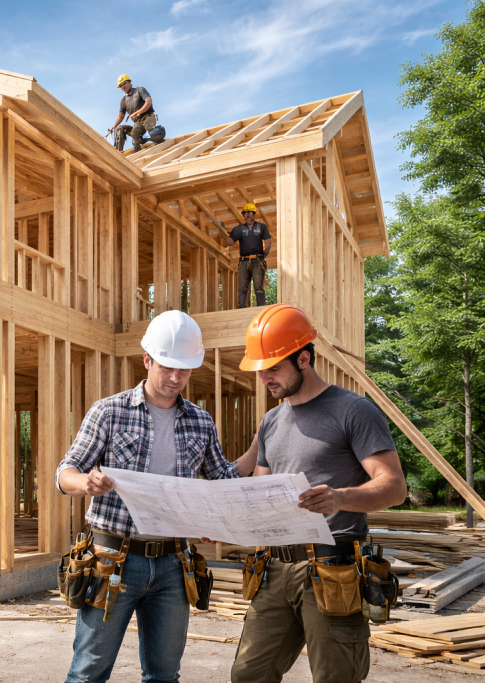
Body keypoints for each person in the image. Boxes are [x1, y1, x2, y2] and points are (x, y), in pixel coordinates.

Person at [57, 310, 254, 683]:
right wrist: (86, 483)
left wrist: (260, 444)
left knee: (165, 674)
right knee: (89, 672)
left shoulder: (200, 420)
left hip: (172, 565)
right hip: (113, 560)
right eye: (167, 368)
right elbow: (64, 472)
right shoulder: (110, 412)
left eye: (185, 370)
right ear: (147, 360)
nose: (176, 378)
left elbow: (221, 479)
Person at [230, 304, 407, 683]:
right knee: (248, 675)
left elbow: (394, 486)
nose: (264, 379)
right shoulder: (271, 421)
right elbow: (260, 494)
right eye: (261, 370)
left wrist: (341, 498)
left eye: (273, 368)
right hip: (274, 568)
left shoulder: (354, 411)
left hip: (333, 569)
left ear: (304, 359)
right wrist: (228, 523)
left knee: (335, 677)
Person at [225, 203, 271, 308]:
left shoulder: (261, 227)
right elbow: (230, 242)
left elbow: (268, 242)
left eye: (248, 212)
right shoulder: (239, 228)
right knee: (242, 287)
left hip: (257, 260)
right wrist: (227, 235)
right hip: (243, 261)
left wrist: (263, 257)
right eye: (244, 213)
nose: (246, 215)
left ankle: (261, 308)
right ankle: (242, 308)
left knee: (258, 287)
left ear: (253, 213)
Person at [111, 75, 158, 153]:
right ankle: (118, 154)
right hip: (138, 124)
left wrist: (137, 113)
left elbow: (148, 102)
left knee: (153, 133)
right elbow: (121, 116)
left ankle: (157, 135)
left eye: (124, 83)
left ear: (130, 82)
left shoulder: (140, 90)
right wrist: (113, 127)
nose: (123, 87)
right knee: (122, 130)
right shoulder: (123, 101)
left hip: (148, 118)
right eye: (121, 86)